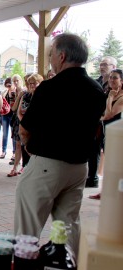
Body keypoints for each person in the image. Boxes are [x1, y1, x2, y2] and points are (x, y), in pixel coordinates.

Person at [15, 33, 106, 256]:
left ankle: (24, 262)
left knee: (28, 225)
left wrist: (28, 145)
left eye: (51, 54)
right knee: (68, 224)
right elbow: (95, 128)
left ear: (62, 56)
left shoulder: (49, 88)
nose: (50, 59)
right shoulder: (96, 89)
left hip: (47, 164)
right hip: (78, 167)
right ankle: (70, 262)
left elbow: (25, 128)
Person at [89, 68, 123, 200]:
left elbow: (108, 114)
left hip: (117, 135)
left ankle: (111, 193)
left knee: (115, 164)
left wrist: (109, 98)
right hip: (107, 132)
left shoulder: (120, 97)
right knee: (109, 163)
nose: (112, 80)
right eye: (110, 78)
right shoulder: (111, 94)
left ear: (121, 81)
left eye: (115, 78)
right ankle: (104, 191)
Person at [86, 56, 118, 189]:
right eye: (100, 64)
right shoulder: (95, 82)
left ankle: (110, 185)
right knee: (93, 150)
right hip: (95, 121)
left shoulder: (116, 87)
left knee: (110, 153)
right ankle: (92, 177)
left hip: (111, 122)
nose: (102, 66)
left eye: (105, 64)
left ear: (113, 67)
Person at [7, 73, 43, 177]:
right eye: (30, 83)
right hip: (22, 124)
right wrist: (24, 122)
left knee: (32, 148)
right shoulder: (25, 95)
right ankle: (17, 167)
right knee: (20, 145)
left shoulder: (42, 96)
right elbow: (17, 111)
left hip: (34, 127)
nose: (32, 85)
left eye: (35, 83)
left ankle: (32, 169)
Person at [0, 77, 16, 160]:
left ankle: (14, 152)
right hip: (5, 115)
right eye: (7, 86)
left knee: (13, 134)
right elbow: (2, 102)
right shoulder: (5, 92)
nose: (8, 87)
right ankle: (3, 151)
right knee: (5, 134)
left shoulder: (16, 92)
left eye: (10, 85)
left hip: (13, 115)